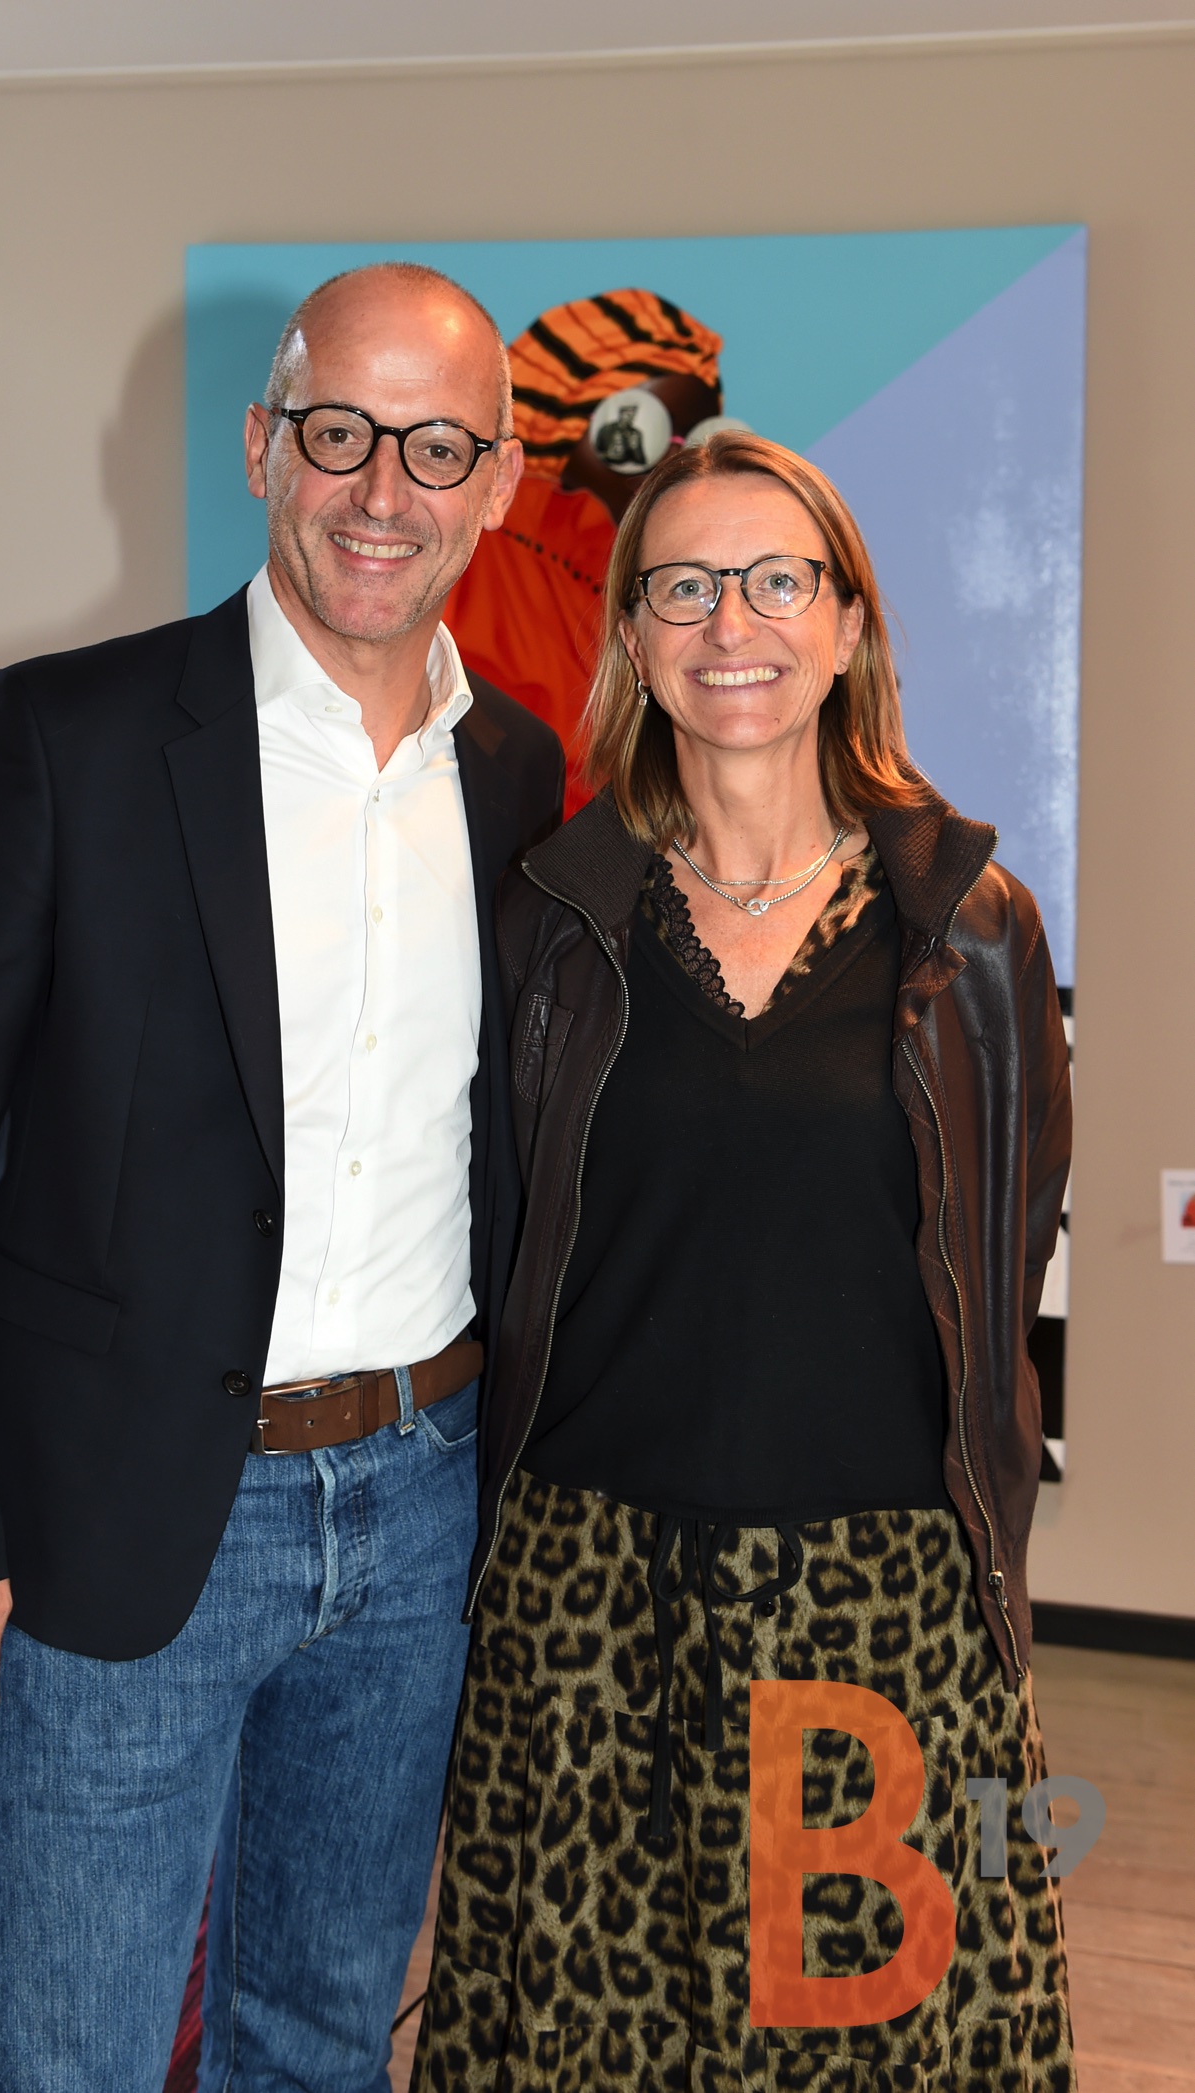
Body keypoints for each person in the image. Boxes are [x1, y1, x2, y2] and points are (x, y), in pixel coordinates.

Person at [0, 261, 564, 2093]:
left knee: (317, 2034)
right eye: (337, 432)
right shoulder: (70, 737)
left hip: (419, 1509)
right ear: (261, 445)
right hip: (126, 1510)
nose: (381, 491)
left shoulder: (514, 771)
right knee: (62, 2053)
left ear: (496, 482)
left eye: (435, 448)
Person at [412, 429, 1075, 2090]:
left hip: (883, 1608)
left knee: (877, 2054)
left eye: (778, 580)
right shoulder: (552, 918)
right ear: (632, 638)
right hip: (588, 1602)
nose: (733, 623)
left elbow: (1002, 1255)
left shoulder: (970, 924)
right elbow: (498, 1237)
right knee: (587, 2050)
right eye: (685, 586)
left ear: (846, 624)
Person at [443, 289, 726, 805]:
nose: (675, 465)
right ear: (560, 426)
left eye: (696, 440)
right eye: (636, 434)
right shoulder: (469, 573)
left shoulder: (698, 594)